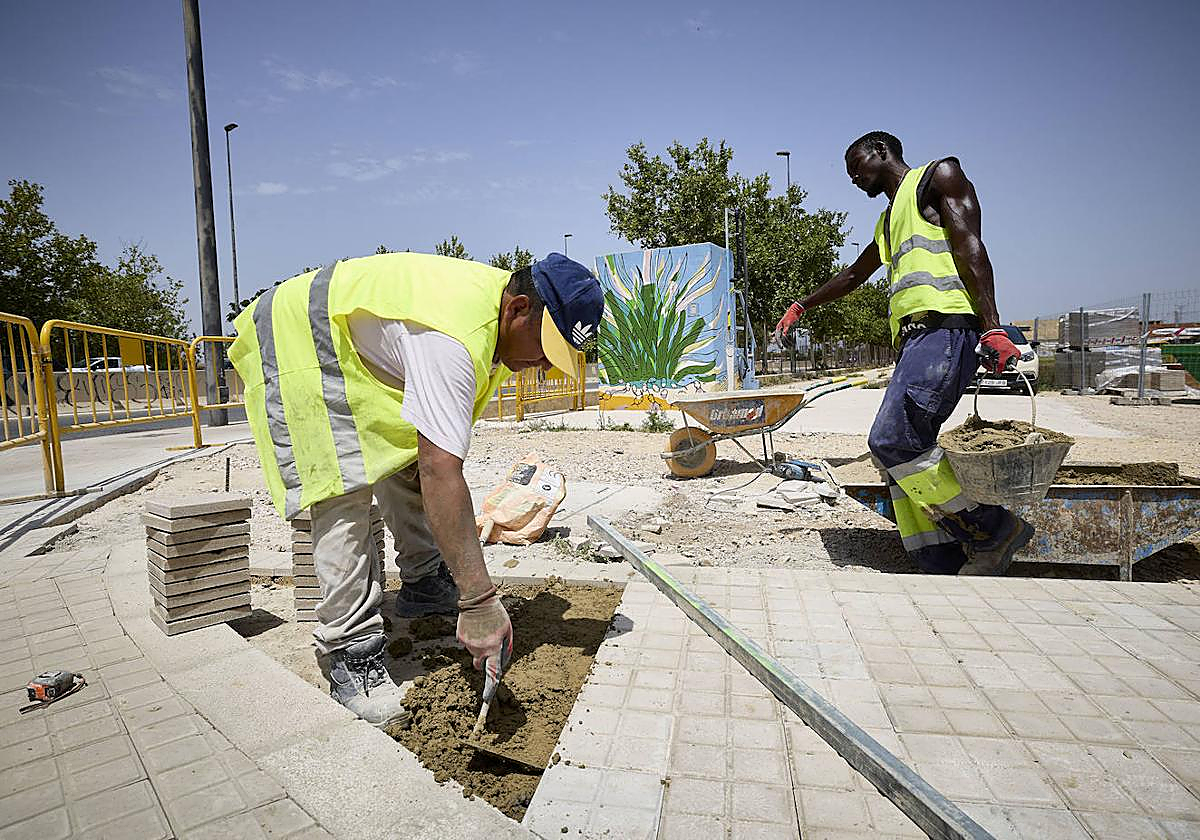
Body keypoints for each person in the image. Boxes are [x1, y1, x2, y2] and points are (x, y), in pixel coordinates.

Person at [229, 252, 603, 728]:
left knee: (407, 457)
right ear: (518, 309)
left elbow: (430, 460)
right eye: (543, 349)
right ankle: (349, 651)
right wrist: (480, 600)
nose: (541, 367)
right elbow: (442, 471)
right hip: (301, 340)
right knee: (342, 490)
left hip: (351, 346)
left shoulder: (495, 322)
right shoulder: (452, 338)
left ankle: (424, 582)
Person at [773, 131, 1032, 576]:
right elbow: (855, 274)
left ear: (881, 151)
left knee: (891, 440)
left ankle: (994, 530)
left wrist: (992, 328)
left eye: (856, 163)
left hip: (944, 331)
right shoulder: (890, 219)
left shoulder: (938, 177)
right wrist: (802, 305)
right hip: (916, 342)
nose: (853, 176)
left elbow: (971, 246)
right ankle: (938, 557)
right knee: (900, 455)